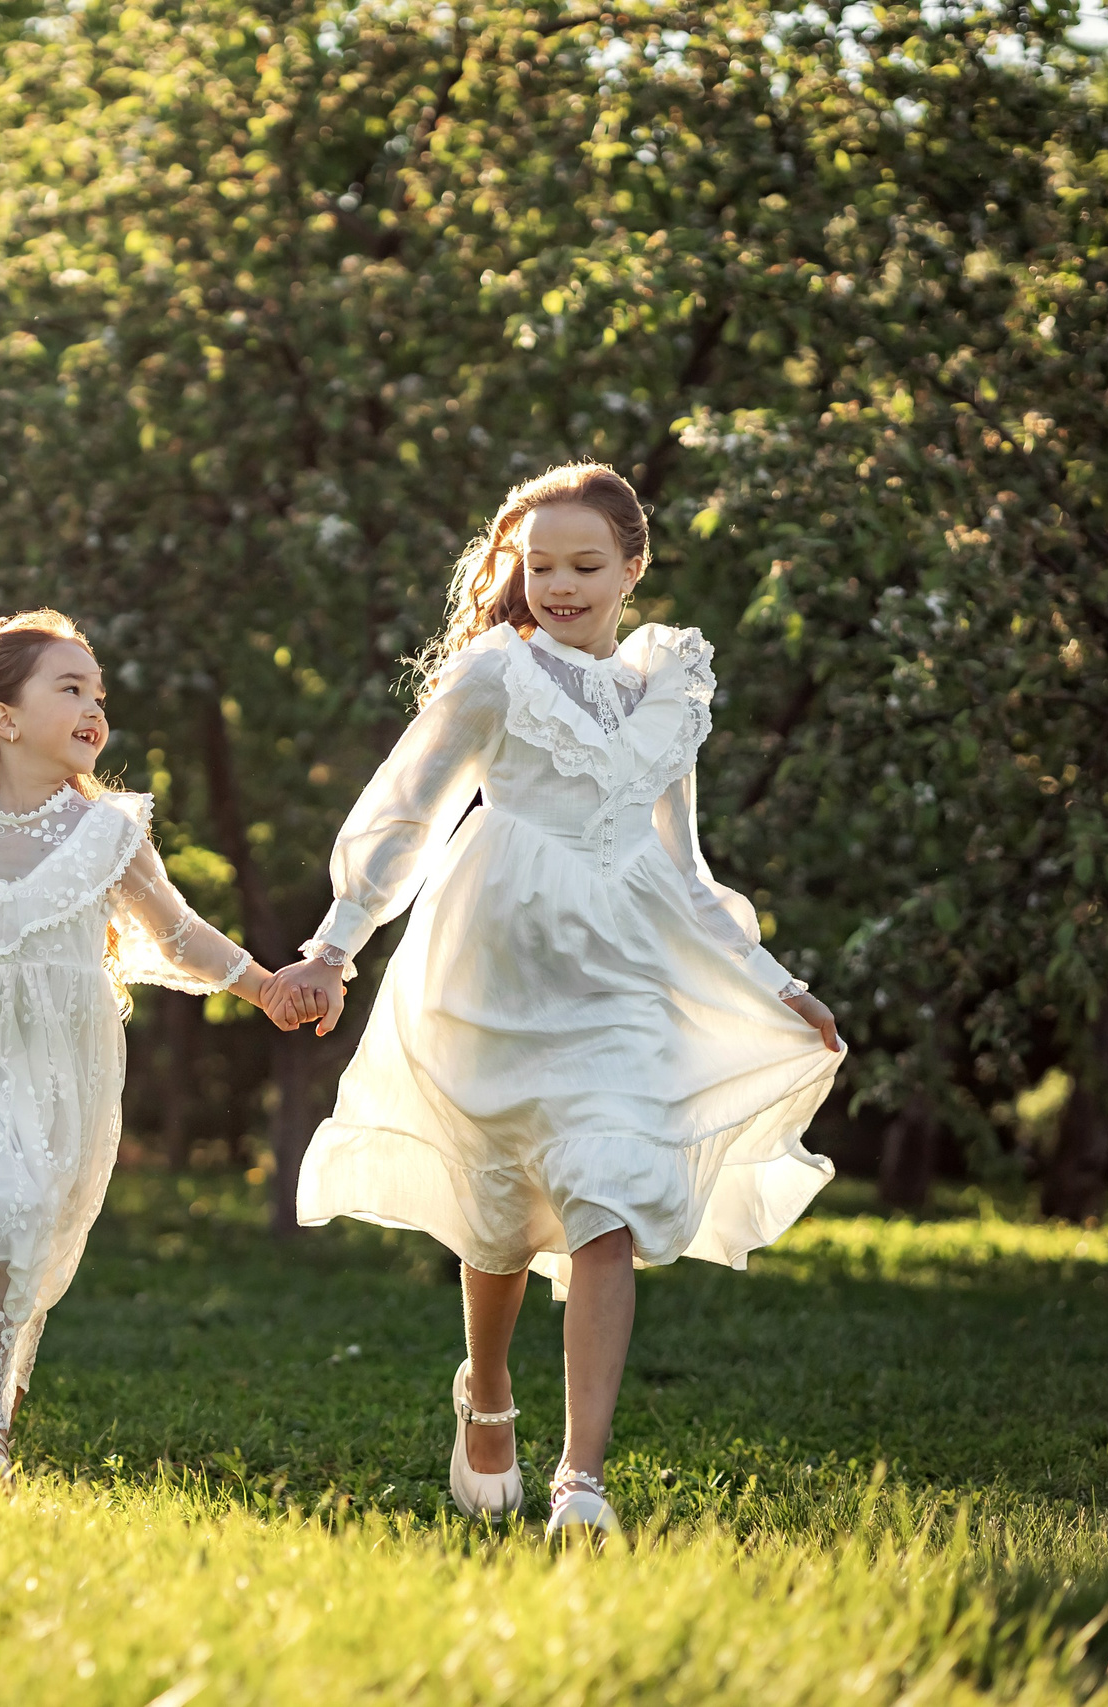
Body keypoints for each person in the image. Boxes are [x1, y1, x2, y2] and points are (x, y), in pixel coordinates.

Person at [265, 463, 845, 1540]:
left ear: (634, 567)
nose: (559, 585)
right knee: (499, 1214)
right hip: (497, 961)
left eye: (584, 565)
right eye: (538, 566)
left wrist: (778, 982)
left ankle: (581, 1478)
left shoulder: (669, 686)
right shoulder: (494, 675)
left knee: (606, 1195)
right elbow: (405, 813)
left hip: (626, 968)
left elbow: (682, 866)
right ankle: (485, 1390)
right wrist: (333, 947)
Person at [0, 609, 310, 1486]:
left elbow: (179, 935)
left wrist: (263, 984)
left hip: (60, 1062)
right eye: (71, 689)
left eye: (99, 694)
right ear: (5, 718)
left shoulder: (110, 833)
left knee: (26, 1232)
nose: (96, 709)